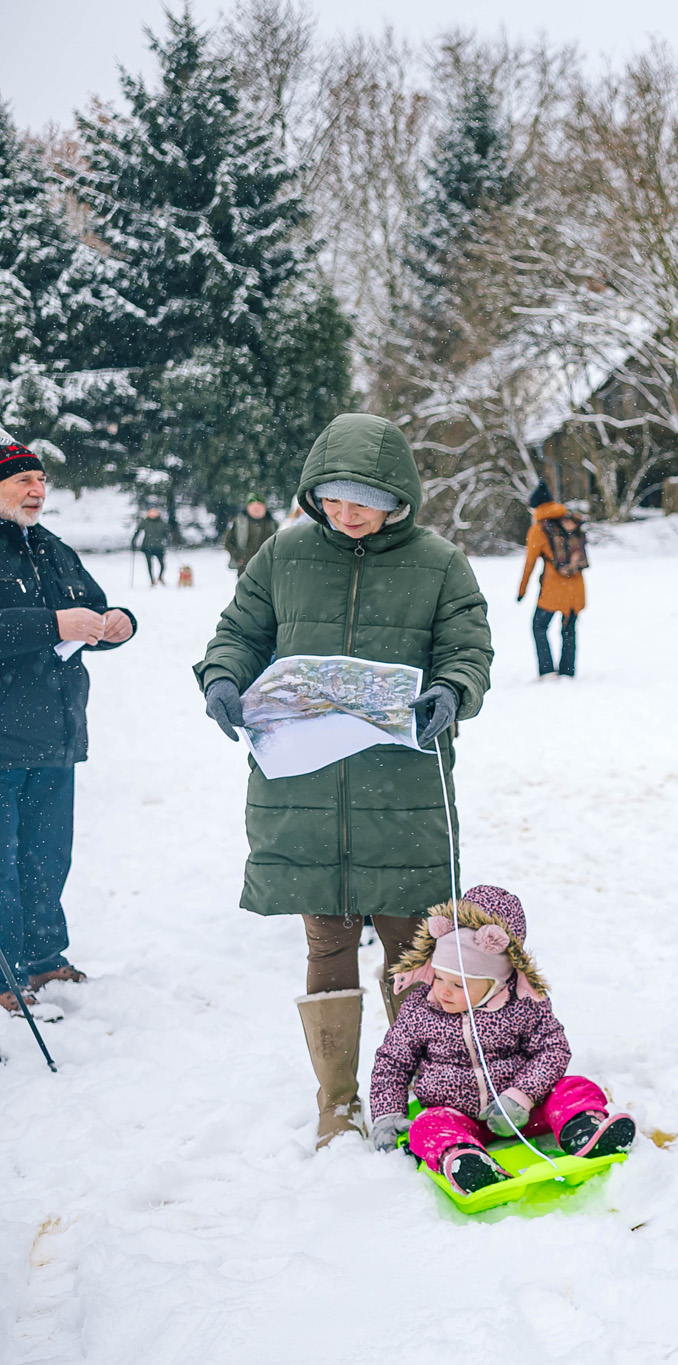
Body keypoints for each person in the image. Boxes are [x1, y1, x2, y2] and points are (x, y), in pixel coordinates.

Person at [194, 413, 493, 1148]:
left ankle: (419, 1097)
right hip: (306, 789)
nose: (344, 511)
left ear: (398, 495)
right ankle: (337, 1100)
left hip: (404, 790)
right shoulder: (283, 554)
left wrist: (451, 692)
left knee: (410, 947)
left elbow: (469, 648)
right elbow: (237, 631)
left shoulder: (441, 562)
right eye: (331, 496)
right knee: (326, 937)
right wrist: (223, 678)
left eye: (362, 496)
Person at [368, 885, 636, 1192]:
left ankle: (584, 1132)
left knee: (574, 1087)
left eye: (458, 984)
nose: (443, 990)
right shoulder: (422, 1010)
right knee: (427, 1126)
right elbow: (392, 1062)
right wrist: (387, 1114)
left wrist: (520, 1097)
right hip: (457, 1115)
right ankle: (463, 1159)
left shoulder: (522, 1003)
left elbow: (553, 1049)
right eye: (439, 977)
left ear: (495, 981)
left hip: (524, 1111)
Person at [0, 434, 137, 1015]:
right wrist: (51, 622)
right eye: (23, 480)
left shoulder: (50, 547)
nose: (38, 490)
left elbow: (94, 606)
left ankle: (44, 956)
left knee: (46, 854)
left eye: (41, 481)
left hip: (55, 733)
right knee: (1, 860)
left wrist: (118, 623)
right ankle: (5, 973)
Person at [518, 482, 587, 680]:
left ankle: (547, 671)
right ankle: (567, 671)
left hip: (553, 589)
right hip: (577, 587)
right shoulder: (569, 521)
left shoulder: (539, 529)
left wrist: (522, 590)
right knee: (569, 629)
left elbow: (529, 563)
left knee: (539, 626)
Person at [221, 498, 277, 576]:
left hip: (267, 566)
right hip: (244, 566)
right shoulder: (239, 522)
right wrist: (238, 556)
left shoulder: (272, 523)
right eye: (253, 505)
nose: (256, 508)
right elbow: (228, 541)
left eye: (259, 505)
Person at [131, 507, 170, 586]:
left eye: (155, 512)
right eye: (151, 513)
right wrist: (133, 541)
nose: (153, 514)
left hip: (159, 546)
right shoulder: (145, 522)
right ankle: (152, 580)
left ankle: (160, 577)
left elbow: (166, 533)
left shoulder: (162, 523)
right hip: (147, 546)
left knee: (162, 564)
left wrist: (169, 540)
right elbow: (138, 531)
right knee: (149, 564)